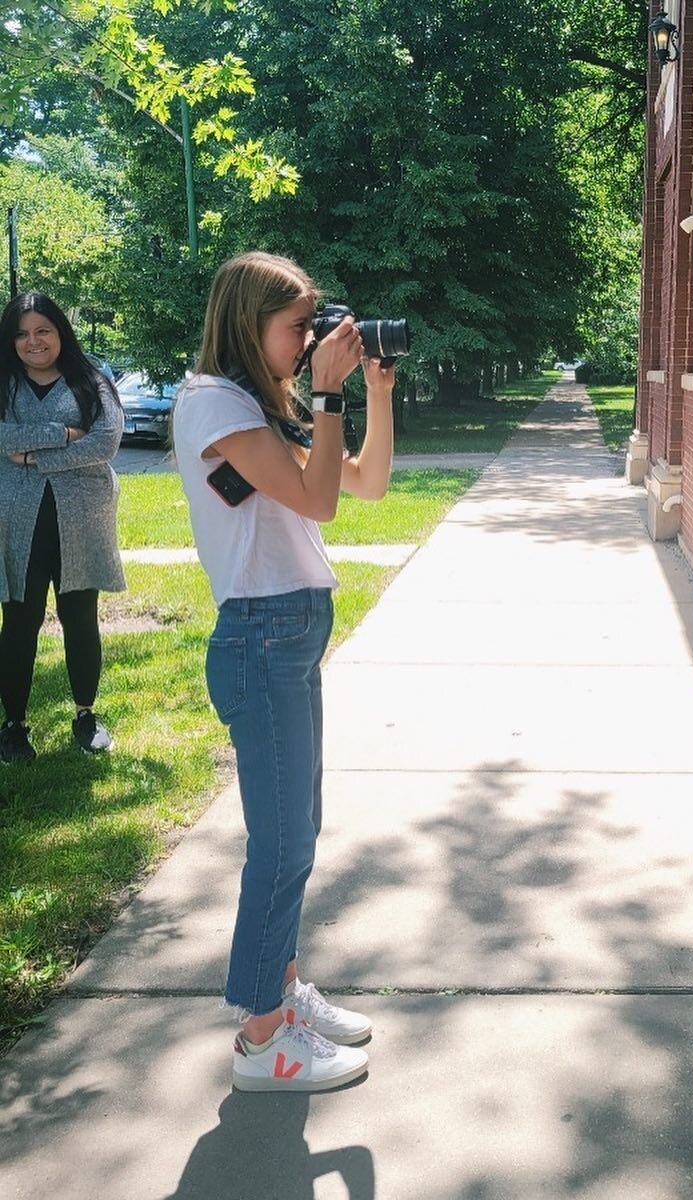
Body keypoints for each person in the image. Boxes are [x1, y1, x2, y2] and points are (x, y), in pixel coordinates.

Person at [171, 251, 395, 1092]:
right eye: (297, 326)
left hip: (288, 638)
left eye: (312, 326)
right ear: (245, 320)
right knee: (281, 843)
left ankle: (283, 990)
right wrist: (331, 394)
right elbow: (319, 502)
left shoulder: (259, 408)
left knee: (297, 830)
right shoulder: (213, 404)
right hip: (261, 636)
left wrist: (371, 390)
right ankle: (263, 1040)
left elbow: (365, 482)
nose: (308, 341)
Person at [0, 292, 125, 763]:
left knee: (80, 617)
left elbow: (107, 441)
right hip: (16, 522)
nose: (33, 342)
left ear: (60, 331)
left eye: (43, 331)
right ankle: (12, 726)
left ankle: (86, 716)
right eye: (22, 334)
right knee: (18, 622)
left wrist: (32, 456)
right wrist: (62, 433)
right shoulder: (4, 383)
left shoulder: (90, 378)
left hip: (81, 521)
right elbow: (0, 437)